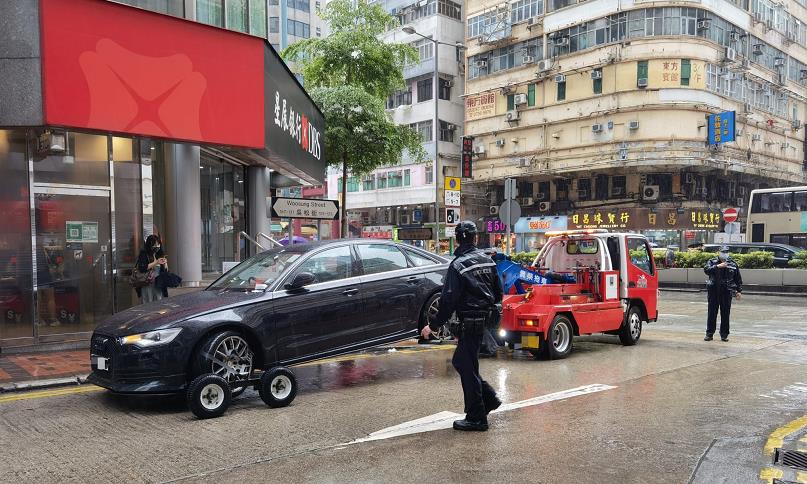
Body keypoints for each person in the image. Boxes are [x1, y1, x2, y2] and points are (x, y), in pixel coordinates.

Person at [421, 220, 504, 431]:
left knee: (465, 365)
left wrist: (433, 325)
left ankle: (477, 417)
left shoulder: (457, 266)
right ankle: (488, 400)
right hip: (485, 321)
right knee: (466, 363)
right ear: (475, 238)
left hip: (470, 322)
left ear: (457, 239)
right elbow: (498, 294)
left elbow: (448, 300)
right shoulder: (488, 261)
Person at [703, 245, 742, 342]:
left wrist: (739, 291)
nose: (724, 254)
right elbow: (706, 270)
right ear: (719, 252)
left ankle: (724, 334)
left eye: (726, 252)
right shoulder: (712, 262)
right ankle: (709, 333)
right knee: (712, 312)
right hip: (714, 290)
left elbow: (737, 278)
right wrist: (717, 266)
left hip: (727, 291)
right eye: (723, 252)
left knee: (725, 313)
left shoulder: (732, 263)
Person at [136, 235, 167, 303]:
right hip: (147, 283)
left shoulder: (159, 254)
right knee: (148, 302)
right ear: (150, 245)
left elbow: (164, 270)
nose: (157, 246)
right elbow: (142, 268)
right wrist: (156, 262)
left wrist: (165, 264)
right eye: (154, 245)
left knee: (159, 301)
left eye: (158, 244)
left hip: (158, 283)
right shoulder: (144, 254)